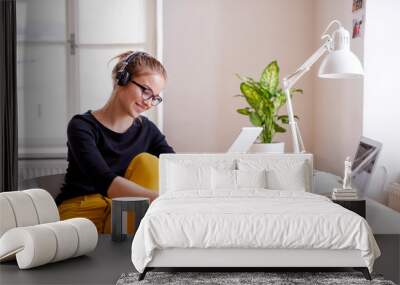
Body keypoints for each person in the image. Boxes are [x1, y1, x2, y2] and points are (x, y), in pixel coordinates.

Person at [56, 51, 175, 233]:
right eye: (145, 91)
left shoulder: (148, 130)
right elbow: (104, 181)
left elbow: (177, 167)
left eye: (155, 97)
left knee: (150, 163)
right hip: (82, 211)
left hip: (122, 209)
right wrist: (160, 200)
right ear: (122, 79)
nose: (149, 102)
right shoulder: (81, 126)